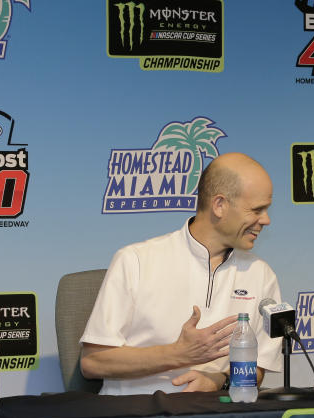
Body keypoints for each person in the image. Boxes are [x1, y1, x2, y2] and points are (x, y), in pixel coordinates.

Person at [80, 152, 283, 394]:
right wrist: (178, 354)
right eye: (257, 210)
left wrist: (218, 381)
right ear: (219, 205)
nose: (266, 220)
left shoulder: (261, 274)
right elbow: (92, 362)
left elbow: (257, 367)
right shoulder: (136, 260)